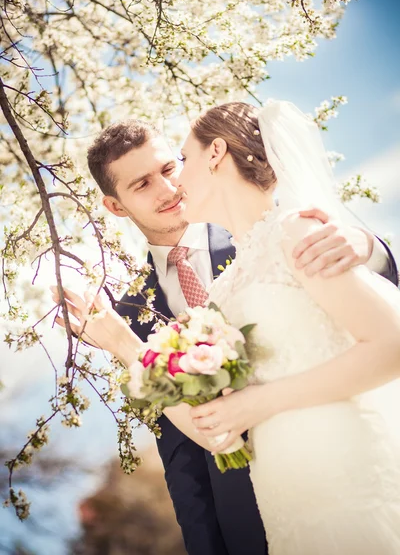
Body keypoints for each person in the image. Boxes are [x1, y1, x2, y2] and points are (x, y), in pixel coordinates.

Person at [52, 111, 399, 555]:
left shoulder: (277, 229)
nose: (167, 189)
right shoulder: (129, 313)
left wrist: (367, 245)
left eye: (171, 167)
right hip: (261, 514)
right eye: (142, 184)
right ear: (116, 206)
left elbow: (378, 310)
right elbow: (184, 452)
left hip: (347, 462)